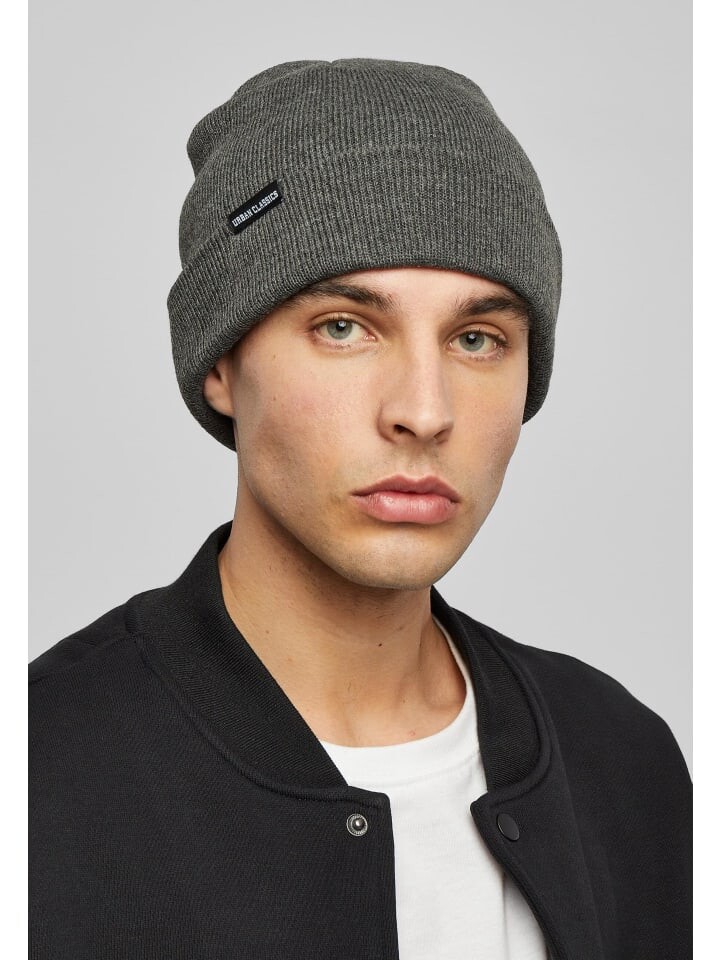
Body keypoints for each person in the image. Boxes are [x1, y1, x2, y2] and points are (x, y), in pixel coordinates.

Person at [29, 59, 691, 959]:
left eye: (477, 339)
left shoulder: (622, 761)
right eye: (344, 327)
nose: (424, 409)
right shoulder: (40, 773)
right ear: (220, 364)